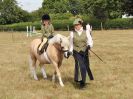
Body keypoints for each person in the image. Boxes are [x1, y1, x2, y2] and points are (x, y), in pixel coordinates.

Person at [68, 18, 94, 88]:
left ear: (81, 25)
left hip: (85, 51)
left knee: (85, 65)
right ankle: (81, 82)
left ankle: (83, 80)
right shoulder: (72, 33)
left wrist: (89, 45)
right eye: (75, 25)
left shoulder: (86, 32)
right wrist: (70, 51)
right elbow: (71, 43)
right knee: (80, 65)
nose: (77, 26)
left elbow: (90, 40)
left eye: (78, 25)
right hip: (76, 51)